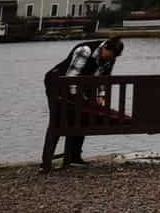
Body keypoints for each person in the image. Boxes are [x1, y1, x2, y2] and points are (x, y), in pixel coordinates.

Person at [45, 36, 124, 167]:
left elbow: (104, 78)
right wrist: (79, 98)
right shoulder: (85, 50)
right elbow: (71, 77)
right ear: (105, 48)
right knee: (57, 120)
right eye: (109, 56)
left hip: (81, 86)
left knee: (82, 118)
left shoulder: (111, 57)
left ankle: (74, 157)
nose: (110, 59)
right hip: (57, 83)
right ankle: (46, 161)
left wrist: (101, 96)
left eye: (113, 57)